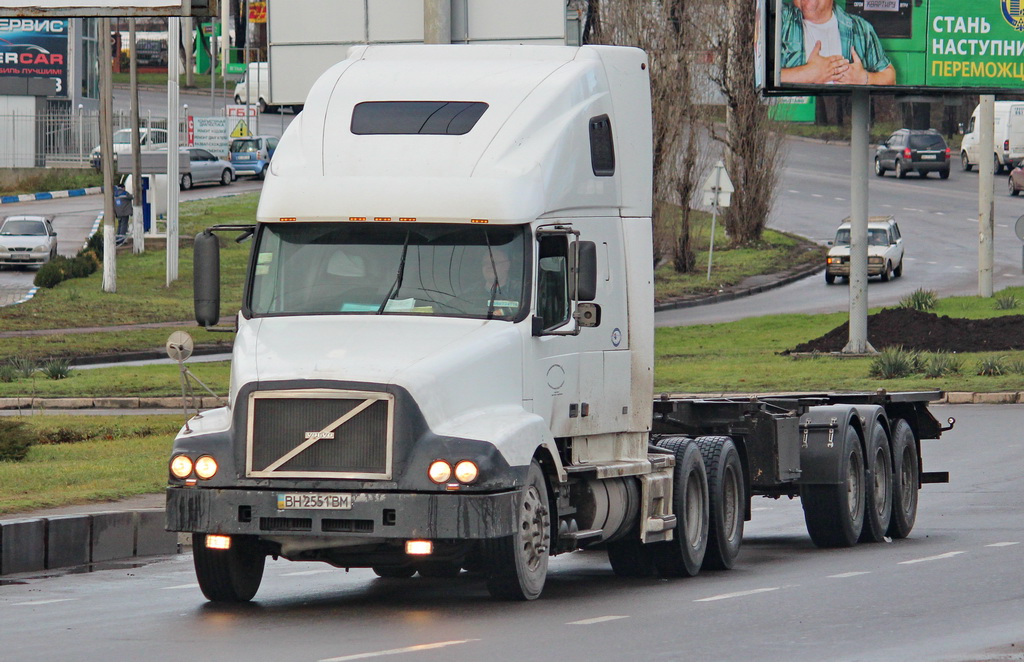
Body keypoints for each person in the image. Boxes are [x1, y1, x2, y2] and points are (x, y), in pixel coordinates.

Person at [779, 0, 895, 86]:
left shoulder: (860, 29)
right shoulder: (779, 22)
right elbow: (761, 77)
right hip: (787, 117)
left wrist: (864, 78)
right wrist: (806, 74)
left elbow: (890, 77)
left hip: (844, 116)